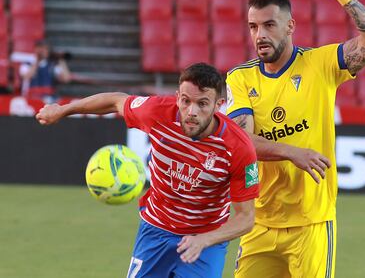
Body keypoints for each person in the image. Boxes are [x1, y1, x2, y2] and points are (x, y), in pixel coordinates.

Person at [226, 0, 365, 278]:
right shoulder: (240, 77)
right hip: (260, 223)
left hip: (311, 223)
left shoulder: (320, 64)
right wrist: (292, 152)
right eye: (253, 27)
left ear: (290, 26)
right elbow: (241, 142)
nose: (260, 35)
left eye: (269, 25)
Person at [36, 62, 259, 278]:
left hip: (205, 241)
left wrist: (206, 239)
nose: (191, 111)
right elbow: (116, 101)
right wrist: (63, 110)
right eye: (185, 101)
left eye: (202, 103)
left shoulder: (238, 147)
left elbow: (246, 218)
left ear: (219, 104)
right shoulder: (157, 112)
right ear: (177, 97)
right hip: (156, 230)